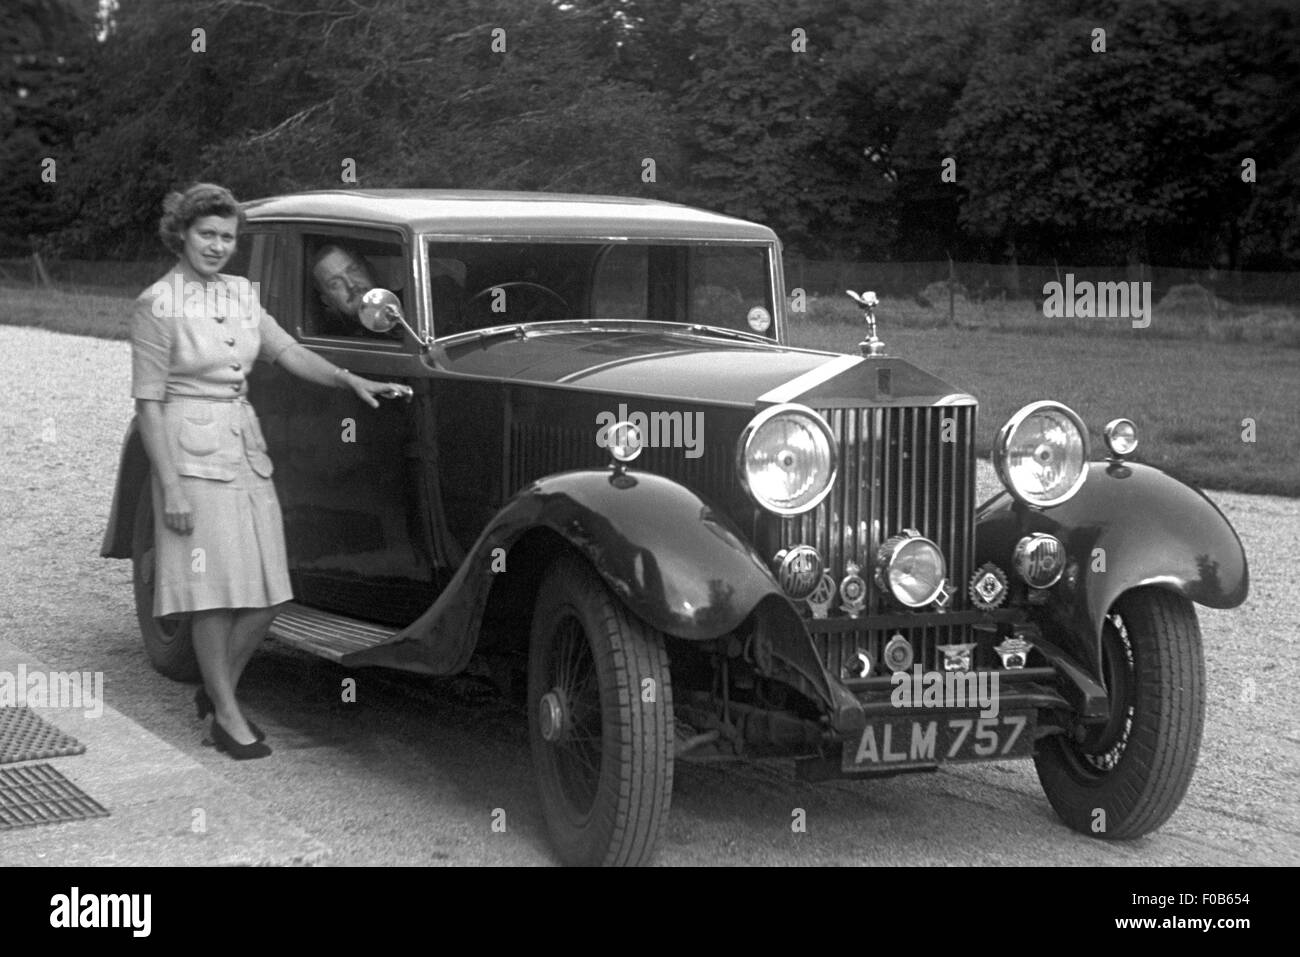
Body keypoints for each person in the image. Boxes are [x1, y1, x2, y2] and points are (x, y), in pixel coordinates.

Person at [131, 183, 411, 760]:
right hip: (190, 453)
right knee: (213, 594)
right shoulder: (157, 304)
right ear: (181, 234)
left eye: (227, 237)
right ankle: (228, 716)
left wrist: (348, 378)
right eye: (206, 234)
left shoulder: (240, 293)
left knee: (268, 590)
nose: (216, 246)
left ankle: (218, 692)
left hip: (243, 446)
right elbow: (149, 405)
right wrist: (171, 486)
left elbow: (286, 352)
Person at [310, 243, 393, 337]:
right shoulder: (334, 339)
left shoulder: (410, 307)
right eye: (335, 283)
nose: (351, 284)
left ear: (370, 270)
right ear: (327, 300)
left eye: (353, 270)